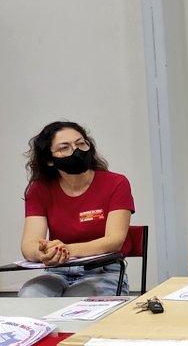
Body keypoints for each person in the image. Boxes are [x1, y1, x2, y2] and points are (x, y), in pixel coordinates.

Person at [19, 122, 135, 296]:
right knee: (30, 294)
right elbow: (29, 244)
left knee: (76, 300)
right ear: (50, 160)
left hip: (102, 271)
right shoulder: (39, 189)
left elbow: (114, 240)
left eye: (81, 144)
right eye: (65, 147)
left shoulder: (116, 183)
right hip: (58, 271)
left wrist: (65, 250)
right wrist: (43, 253)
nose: (76, 150)